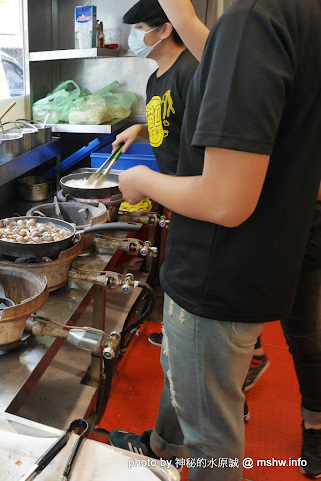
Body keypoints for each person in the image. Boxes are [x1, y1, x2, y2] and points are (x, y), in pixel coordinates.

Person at [106, 0, 321, 478]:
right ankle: (163, 446)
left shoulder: (256, 18)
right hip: (263, 256)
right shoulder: (296, 16)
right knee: (191, 382)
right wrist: (183, 15)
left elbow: (225, 200)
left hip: (216, 267)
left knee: (212, 436)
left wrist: (141, 180)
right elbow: (233, 67)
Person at [112, 0, 199, 347]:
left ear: (165, 30)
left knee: (192, 274)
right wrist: (139, 131)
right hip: (171, 191)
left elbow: (203, 137)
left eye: (140, 29)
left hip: (191, 191)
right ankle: (179, 332)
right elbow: (167, 123)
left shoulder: (191, 72)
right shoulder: (154, 80)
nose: (135, 37)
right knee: (174, 268)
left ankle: (246, 353)